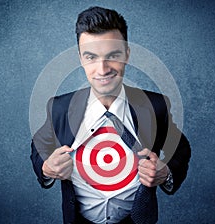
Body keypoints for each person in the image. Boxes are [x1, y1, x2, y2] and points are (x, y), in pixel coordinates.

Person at [31, 6, 191, 224]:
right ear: (80, 58)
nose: (103, 69)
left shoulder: (156, 106)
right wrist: (46, 168)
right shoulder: (60, 108)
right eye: (91, 57)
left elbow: (181, 148)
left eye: (113, 55)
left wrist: (166, 174)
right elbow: (38, 146)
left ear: (127, 54)